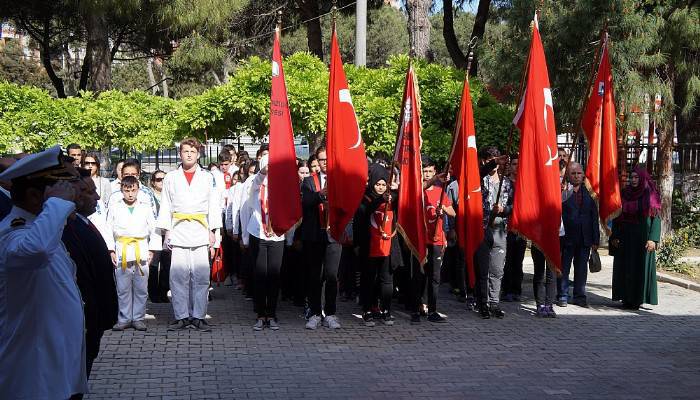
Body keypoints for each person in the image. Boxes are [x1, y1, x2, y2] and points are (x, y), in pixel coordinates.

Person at [0, 146, 88, 399]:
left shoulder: (42, 229)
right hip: (30, 371)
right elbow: (35, 251)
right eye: (66, 194)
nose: (74, 199)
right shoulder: (13, 233)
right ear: (35, 196)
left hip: (52, 365)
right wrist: (57, 206)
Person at [157, 137, 221, 331]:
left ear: (199, 154)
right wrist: (167, 231)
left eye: (193, 151)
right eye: (186, 151)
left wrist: (213, 232)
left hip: (201, 229)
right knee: (178, 276)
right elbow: (166, 204)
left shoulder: (208, 177)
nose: (189, 154)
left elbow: (214, 205)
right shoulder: (171, 177)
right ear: (180, 154)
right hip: (179, 229)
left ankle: (199, 316)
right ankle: (181, 316)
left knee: (201, 276)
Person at [62, 168, 119, 380]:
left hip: (93, 319)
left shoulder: (80, 222)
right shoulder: (66, 229)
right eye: (88, 191)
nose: (96, 196)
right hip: (82, 321)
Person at [107, 176, 161, 331]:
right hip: (122, 248)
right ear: (121, 190)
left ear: (138, 189)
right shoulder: (115, 207)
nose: (130, 194)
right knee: (123, 288)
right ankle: (124, 318)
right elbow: (107, 229)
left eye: (133, 190)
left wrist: (152, 249)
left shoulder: (145, 207)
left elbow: (154, 230)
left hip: (141, 249)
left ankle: (138, 318)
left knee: (141, 288)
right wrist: (111, 249)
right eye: (126, 190)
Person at [240, 155, 287, 330]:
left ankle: (272, 313)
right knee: (260, 274)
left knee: (274, 275)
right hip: (257, 232)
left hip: (277, 234)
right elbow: (253, 190)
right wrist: (263, 172)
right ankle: (260, 314)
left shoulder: (282, 182)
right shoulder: (255, 180)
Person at [301, 146, 342, 329]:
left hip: (334, 235)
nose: (324, 163)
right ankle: (315, 312)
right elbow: (306, 201)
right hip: (314, 234)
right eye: (321, 160)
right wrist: (321, 195)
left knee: (332, 275)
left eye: (327, 159)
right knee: (314, 275)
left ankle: (331, 313)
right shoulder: (310, 181)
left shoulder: (340, 180)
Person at [411, 157, 456, 324]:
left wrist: (443, 209)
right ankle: (416, 308)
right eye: (424, 171)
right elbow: (422, 187)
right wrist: (433, 180)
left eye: (430, 171)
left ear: (435, 171)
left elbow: (453, 212)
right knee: (419, 275)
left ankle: (433, 309)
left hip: (437, 239)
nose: (427, 174)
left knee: (435, 276)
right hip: (420, 239)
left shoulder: (440, 191)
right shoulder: (417, 190)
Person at [611, 167, 661, 309]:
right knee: (625, 267)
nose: (633, 180)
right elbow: (617, 216)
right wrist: (614, 235)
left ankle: (637, 299)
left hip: (642, 238)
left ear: (642, 178)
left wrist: (653, 239)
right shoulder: (624, 193)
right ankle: (626, 298)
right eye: (631, 177)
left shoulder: (650, 195)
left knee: (639, 268)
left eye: (636, 177)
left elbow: (656, 219)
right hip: (625, 236)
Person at [354, 163, 397, 326]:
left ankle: (385, 309)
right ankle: (367, 309)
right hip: (369, 246)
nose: (380, 187)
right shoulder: (365, 197)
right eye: (378, 184)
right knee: (369, 279)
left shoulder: (392, 198)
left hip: (388, 245)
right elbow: (362, 214)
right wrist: (380, 199)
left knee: (386, 279)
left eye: (383, 185)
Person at [476, 147, 511, 319]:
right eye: (488, 158)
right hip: (482, 228)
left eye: (496, 158)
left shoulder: (507, 183)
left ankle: (494, 302)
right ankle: (483, 303)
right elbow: (480, 171)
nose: (492, 161)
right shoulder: (479, 180)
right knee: (483, 269)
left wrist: (505, 210)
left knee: (497, 269)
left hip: (499, 230)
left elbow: (515, 206)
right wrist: (494, 162)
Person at [558, 162, 600, 308]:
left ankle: (579, 296)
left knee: (581, 268)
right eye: (573, 173)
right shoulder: (562, 192)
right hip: (567, 237)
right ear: (568, 175)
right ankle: (562, 294)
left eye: (579, 173)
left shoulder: (590, 192)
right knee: (564, 267)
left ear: (583, 175)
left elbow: (594, 216)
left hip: (585, 237)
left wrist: (596, 239)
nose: (576, 176)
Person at [502, 154, 525, 302]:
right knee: (508, 261)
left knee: (519, 261)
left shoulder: (525, 184)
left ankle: (517, 289)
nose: (517, 167)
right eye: (514, 164)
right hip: (507, 227)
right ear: (510, 166)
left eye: (519, 164)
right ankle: (507, 289)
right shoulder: (505, 184)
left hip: (521, 228)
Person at [148, 169, 170, 303]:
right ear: (153, 182)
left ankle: (163, 291)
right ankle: (153, 293)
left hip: (167, 234)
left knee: (167, 265)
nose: (161, 182)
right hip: (155, 234)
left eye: (164, 179)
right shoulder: (149, 196)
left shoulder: (170, 195)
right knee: (153, 265)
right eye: (158, 179)